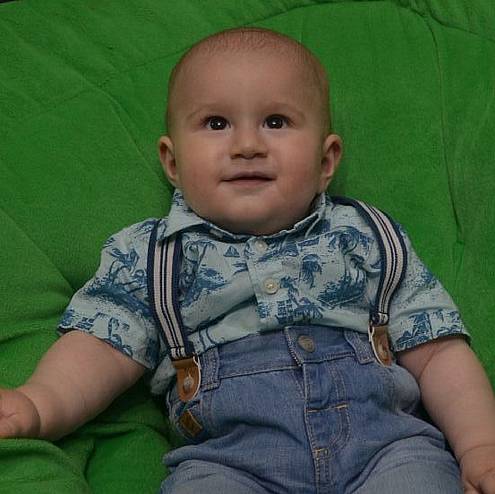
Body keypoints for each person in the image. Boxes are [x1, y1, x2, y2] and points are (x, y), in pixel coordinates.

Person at [1, 27, 494, 494]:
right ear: (172, 162)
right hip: (230, 463)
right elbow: (102, 347)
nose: (247, 146)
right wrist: (39, 402)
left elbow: (438, 352)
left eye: (276, 122)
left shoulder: (368, 238)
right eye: (216, 124)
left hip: (386, 450)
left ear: (325, 162)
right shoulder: (152, 256)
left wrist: (480, 445)